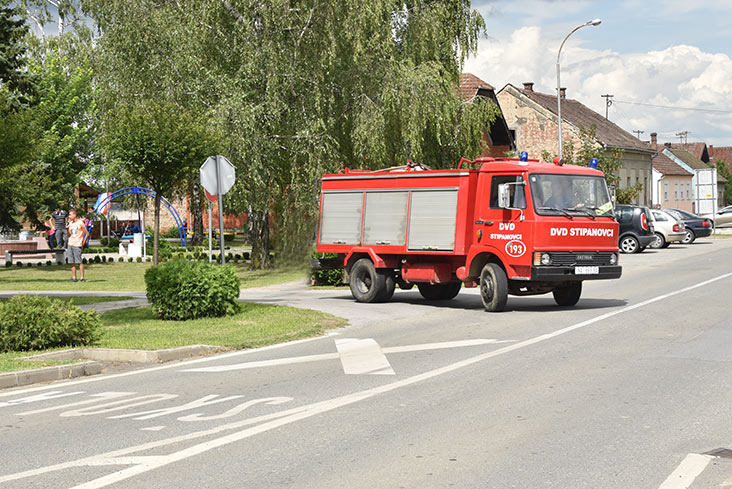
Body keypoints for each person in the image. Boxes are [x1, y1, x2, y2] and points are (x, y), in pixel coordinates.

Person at [66, 209, 89, 282]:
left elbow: (87, 234)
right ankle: (74, 278)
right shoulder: (70, 223)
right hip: (70, 243)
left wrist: (83, 242)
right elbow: (69, 235)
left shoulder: (80, 223)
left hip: (77, 244)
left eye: (70, 215)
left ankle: (82, 278)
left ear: (74, 215)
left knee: (79, 261)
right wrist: (67, 229)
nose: (69, 216)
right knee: (71, 262)